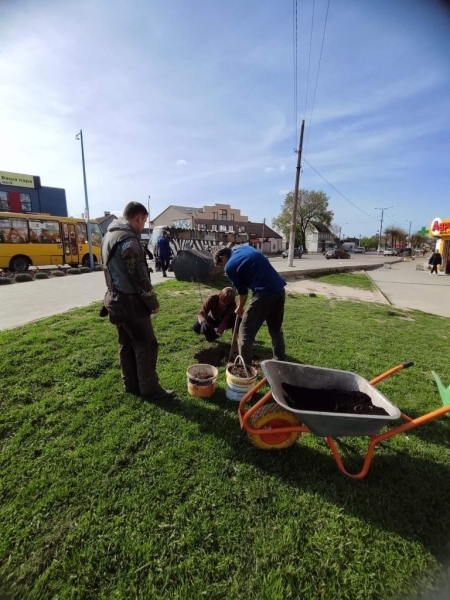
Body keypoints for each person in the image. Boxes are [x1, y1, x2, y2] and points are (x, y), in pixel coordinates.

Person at [100, 202, 174, 401]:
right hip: (131, 303)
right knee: (146, 345)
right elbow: (140, 277)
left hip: (115, 300)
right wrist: (152, 303)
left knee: (126, 343)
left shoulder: (108, 236)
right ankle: (150, 389)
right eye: (143, 221)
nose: (143, 226)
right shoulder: (129, 241)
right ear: (138, 218)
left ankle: (130, 384)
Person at [214, 245, 287, 366]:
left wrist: (240, 308)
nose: (223, 268)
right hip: (279, 289)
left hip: (264, 293)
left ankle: (245, 366)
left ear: (222, 257)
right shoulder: (244, 248)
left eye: (221, 264)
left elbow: (243, 293)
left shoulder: (230, 266)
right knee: (275, 330)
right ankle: (281, 362)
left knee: (245, 331)